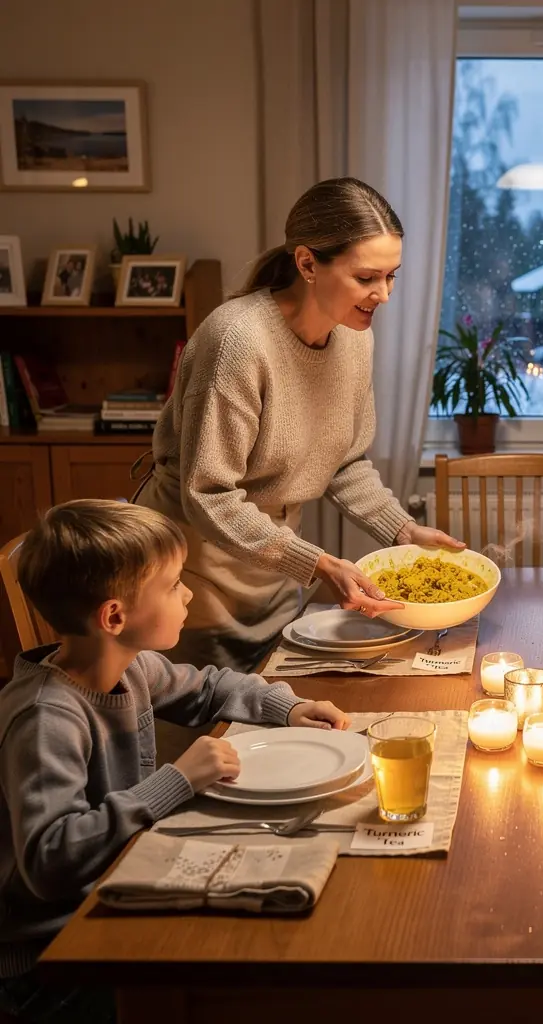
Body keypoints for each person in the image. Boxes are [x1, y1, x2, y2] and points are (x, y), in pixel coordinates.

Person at [0, 499, 350, 1022]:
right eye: (172, 584)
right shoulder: (47, 717)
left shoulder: (132, 667)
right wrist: (176, 780)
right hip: (56, 958)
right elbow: (51, 861)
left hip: (115, 886)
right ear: (114, 616)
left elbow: (209, 688)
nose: (187, 592)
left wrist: (289, 705)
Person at [135, 177, 462, 671]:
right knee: (207, 733)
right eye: (367, 277)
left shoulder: (353, 337)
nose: (383, 294)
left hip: (273, 570)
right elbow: (209, 495)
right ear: (307, 263)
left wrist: (403, 531)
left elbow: (344, 460)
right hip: (190, 572)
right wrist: (315, 563)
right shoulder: (238, 341)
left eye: (391, 276)